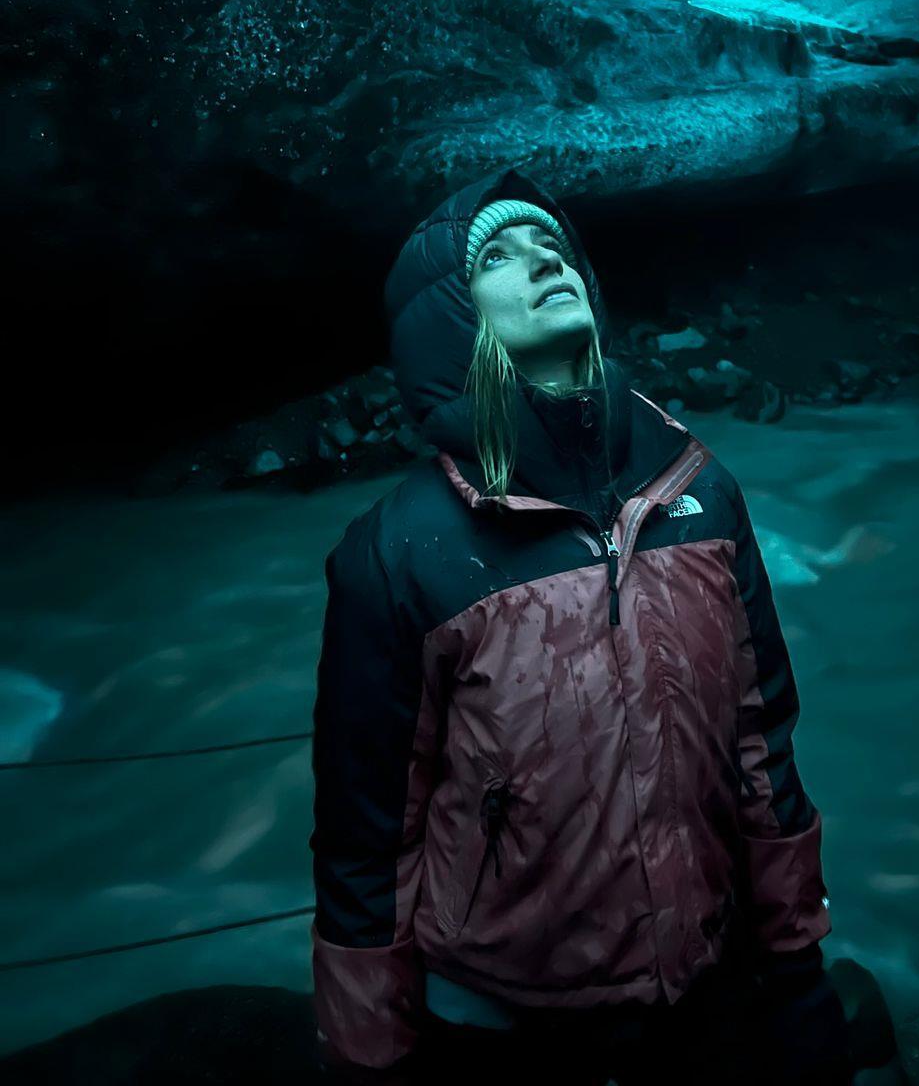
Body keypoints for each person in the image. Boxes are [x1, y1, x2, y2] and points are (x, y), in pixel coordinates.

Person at [308, 167, 853, 1084]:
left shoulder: (699, 489)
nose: (542, 262)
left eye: (552, 246)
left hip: (707, 979)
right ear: (450, 317)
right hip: (503, 1023)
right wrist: (373, 1054)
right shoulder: (397, 553)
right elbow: (368, 831)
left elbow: (760, 741)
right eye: (498, 256)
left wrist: (797, 963)